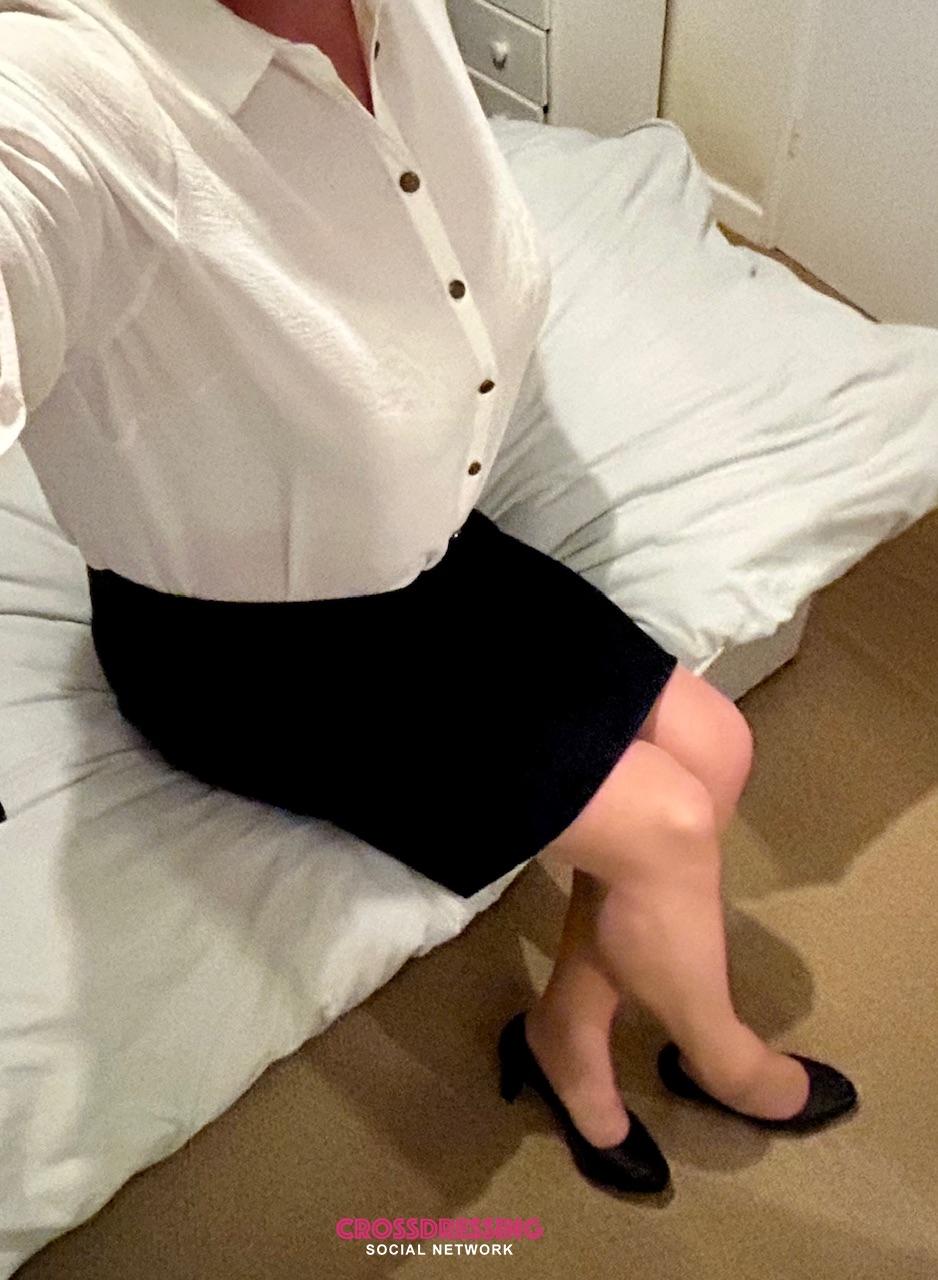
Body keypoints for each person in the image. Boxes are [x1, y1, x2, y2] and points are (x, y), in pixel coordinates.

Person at [0, 0, 857, 1196]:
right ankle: (719, 1055)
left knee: (713, 745)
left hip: (424, 556)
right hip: (248, 648)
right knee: (664, 826)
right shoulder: (55, 92)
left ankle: (565, 1034)